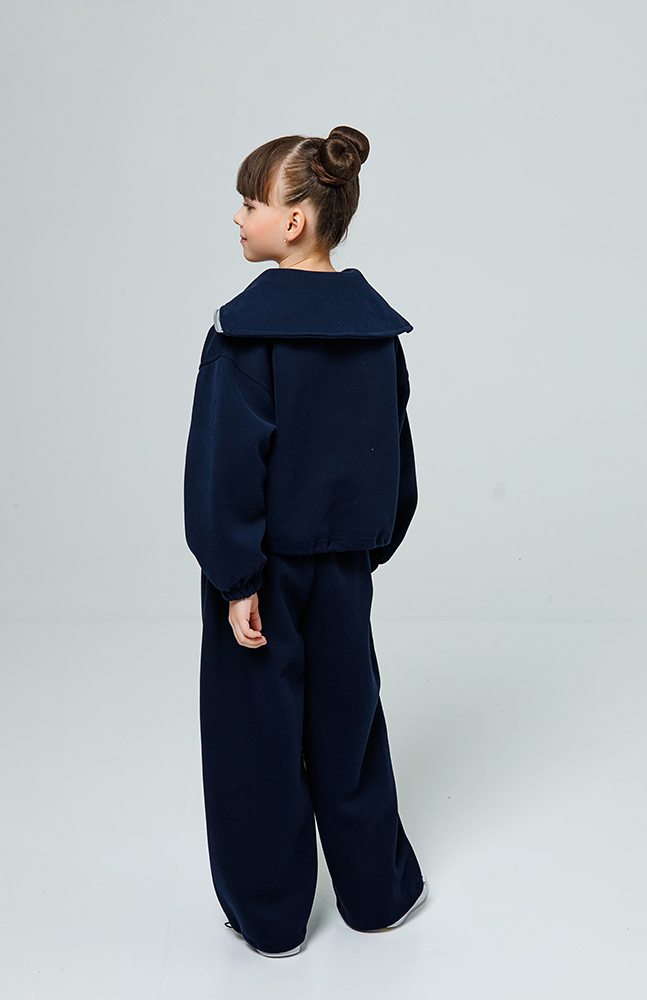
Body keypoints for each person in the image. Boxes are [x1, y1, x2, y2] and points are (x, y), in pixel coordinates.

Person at [184, 125, 427, 959]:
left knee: (256, 736)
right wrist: (366, 545)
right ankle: (377, 896)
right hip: (345, 565)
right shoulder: (375, 332)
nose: (238, 217)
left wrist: (235, 576)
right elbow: (393, 452)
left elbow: (225, 463)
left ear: (292, 221)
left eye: (249, 202)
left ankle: (271, 917)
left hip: (264, 572)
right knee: (347, 726)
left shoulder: (243, 334)